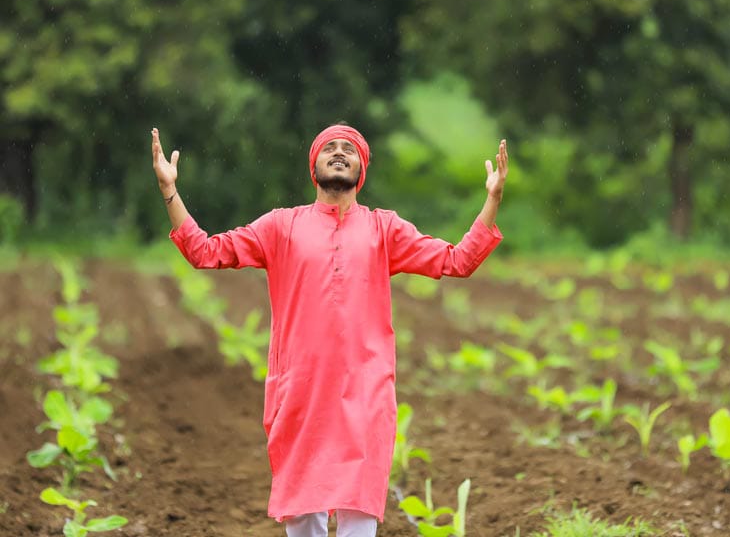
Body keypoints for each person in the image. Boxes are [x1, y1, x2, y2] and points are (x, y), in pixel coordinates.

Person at [150, 124, 507, 537]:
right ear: (313, 166)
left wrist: (492, 199)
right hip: (300, 393)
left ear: (362, 169)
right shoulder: (280, 226)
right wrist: (169, 192)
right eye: (330, 148)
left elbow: (457, 260)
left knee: (359, 515)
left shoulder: (384, 229)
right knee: (304, 517)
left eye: (349, 150)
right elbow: (205, 252)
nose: (339, 153)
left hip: (366, 393)